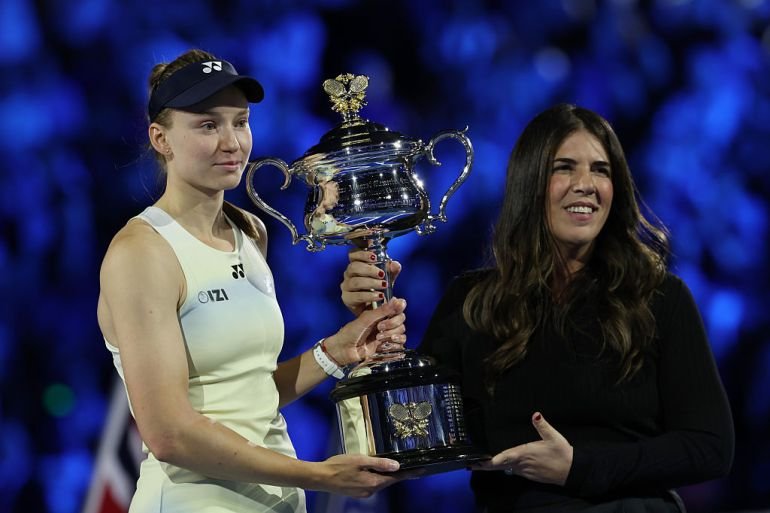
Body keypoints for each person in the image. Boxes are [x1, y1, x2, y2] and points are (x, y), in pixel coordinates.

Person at [340, 104, 734, 512]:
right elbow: (413, 434)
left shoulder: (658, 298)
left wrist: (579, 467)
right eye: (564, 168)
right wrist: (371, 322)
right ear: (530, 183)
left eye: (601, 170)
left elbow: (709, 446)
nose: (586, 184)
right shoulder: (473, 303)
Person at [96, 49, 408, 513]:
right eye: (207, 125)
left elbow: (251, 394)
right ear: (160, 138)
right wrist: (318, 475)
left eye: (239, 122)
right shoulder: (141, 252)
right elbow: (169, 435)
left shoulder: (250, 231)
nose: (232, 142)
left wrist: (336, 352)